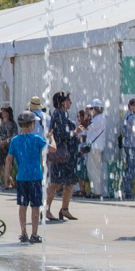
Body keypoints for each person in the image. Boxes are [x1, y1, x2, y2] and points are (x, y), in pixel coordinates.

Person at [45, 92, 85, 225]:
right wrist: (75, 132)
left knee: (70, 182)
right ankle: (46, 208)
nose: (71, 102)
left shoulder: (63, 114)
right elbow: (61, 133)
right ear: (63, 102)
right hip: (62, 155)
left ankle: (64, 209)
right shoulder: (58, 114)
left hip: (68, 155)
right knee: (56, 182)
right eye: (69, 100)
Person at [9, 110, 47, 244]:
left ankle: (23, 232)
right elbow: (52, 149)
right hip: (35, 177)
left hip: (21, 178)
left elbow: (9, 159)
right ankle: (34, 234)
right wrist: (52, 138)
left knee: (22, 206)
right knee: (35, 206)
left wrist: (7, 176)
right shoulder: (37, 139)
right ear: (31, 124)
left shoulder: (15, 140)